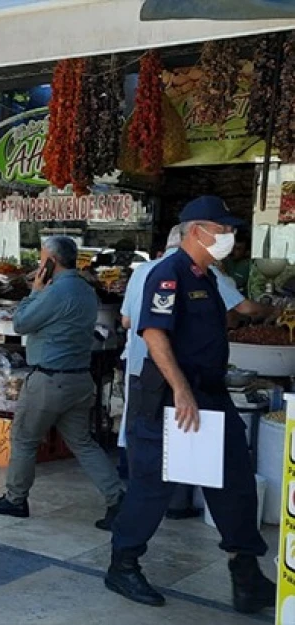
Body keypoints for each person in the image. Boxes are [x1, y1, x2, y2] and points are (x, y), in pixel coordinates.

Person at [106, 196, 274, 613]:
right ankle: (123, 565)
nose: (230, 237)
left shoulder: (208, 277)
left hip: (211, 395)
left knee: (233, 479)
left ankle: (247, 574)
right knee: (153, 485)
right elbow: (153, 334)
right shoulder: (169, 273)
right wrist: (180, 388)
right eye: (223, 230)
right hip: (169, 398)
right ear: (197, 231)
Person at [117, 225, 272, 516]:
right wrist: (271, 312)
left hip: (140, 371)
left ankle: (144, 501)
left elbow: (126, 321)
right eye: (221, 230)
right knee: (183, 439)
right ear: (194, 236)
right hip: (176, 377)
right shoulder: (197, 273)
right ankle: (172, 507)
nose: (228, 237)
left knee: (146, 444)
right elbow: (243, 310)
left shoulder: (144, 271)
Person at [0, 236, 124, 528]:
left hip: (49, 380)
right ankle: (117, 500)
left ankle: (15, 499)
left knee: (24, 438)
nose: (39, 262)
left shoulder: (55, 292)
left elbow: (21, 323)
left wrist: (34, 292)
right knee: (83, 443)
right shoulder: (85, 289)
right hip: (79, 379)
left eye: (42, 257)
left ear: (51, 261)